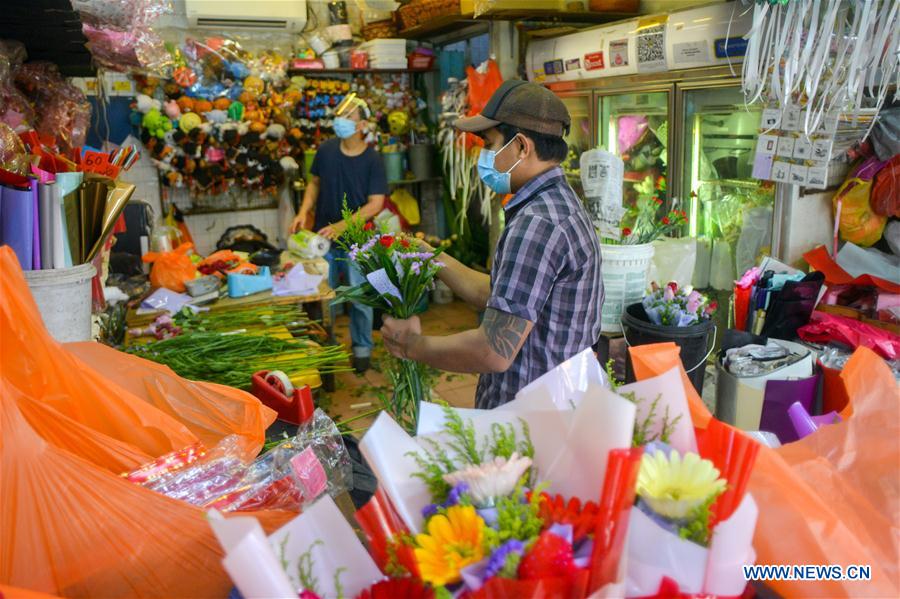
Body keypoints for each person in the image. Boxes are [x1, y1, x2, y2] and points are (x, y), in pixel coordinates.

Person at [380, 80, 604, 408]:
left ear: (522, 147)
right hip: (554, 406)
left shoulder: (537, 223)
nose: (483, 155)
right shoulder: (557, 203)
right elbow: (504, 295)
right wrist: (429, 256)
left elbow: (494, 350)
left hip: (529, 419)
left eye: (490, 143)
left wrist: (411, 346)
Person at [291, 93, 388, 373]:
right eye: (339, 115)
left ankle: (362, 351)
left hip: (358, 241)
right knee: (325, 298)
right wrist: (302, 212)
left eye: (348, 116)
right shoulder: (326, 151)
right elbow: (314, 184)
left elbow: (375, 204)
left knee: (359, 297)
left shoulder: (373, 160)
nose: (341, 121)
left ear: (361, 125)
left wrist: (342, 226)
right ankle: (327, 351)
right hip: (323, 240)